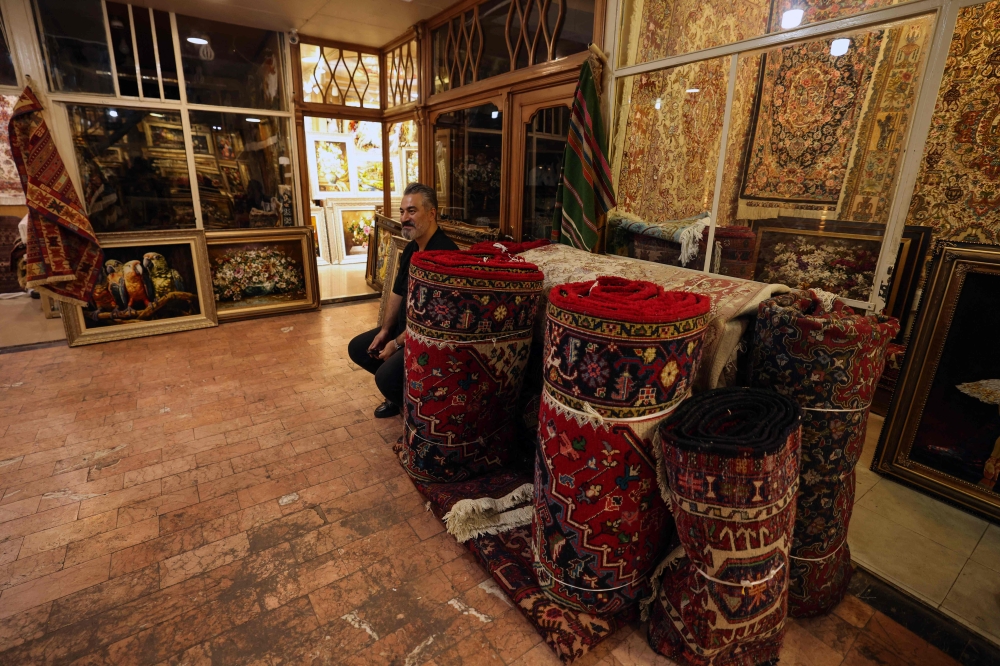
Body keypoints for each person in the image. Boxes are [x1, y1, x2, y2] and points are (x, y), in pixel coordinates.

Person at [348, 183, 458, 418]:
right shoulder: (412, 249)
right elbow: (397, 292)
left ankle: (418, 418)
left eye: (412, 211)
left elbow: (431, 319)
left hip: (426, 339)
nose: (404, 218)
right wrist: (385, 331)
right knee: (359, 348)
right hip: (404, 329)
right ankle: (401, 397)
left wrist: (397, 344)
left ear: (431, 213)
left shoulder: (445, 255)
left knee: (385, 377)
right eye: (402, 211)